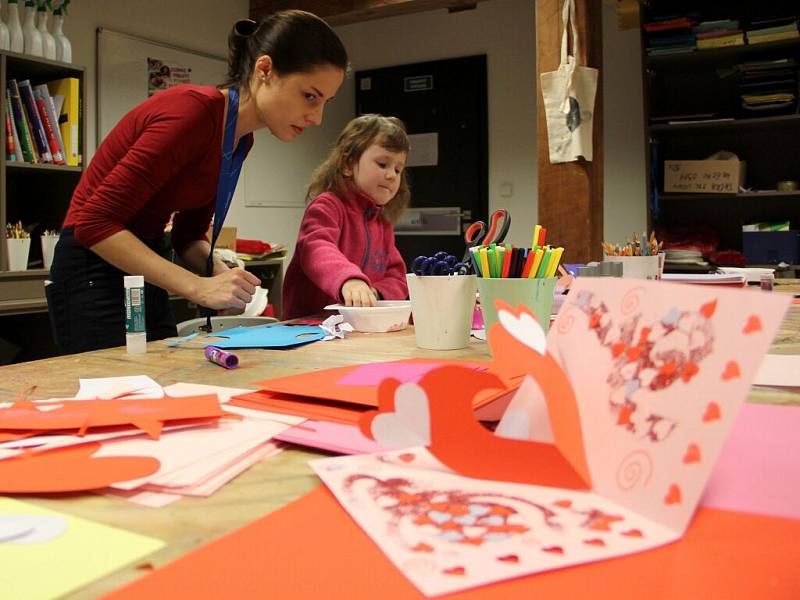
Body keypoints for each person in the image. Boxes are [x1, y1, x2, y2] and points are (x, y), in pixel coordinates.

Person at [47, 11, 348, 353]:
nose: (317, 116)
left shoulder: (239, 139)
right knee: (111, 392)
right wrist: (196, 287)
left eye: (325, 102)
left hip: (143, 257)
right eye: (310, 96)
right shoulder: (193, 112)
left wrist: (219, 275)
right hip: (92, 262)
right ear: (264, 70)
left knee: (163, 382)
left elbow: (187, 235)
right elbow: (93, 223)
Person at [282, 114, 410, 320]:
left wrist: (375, 293)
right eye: (382, 164)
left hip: (356, 326)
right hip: (311, 328)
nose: (392, 175)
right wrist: (349, 280)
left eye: (398, 169)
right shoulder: (327, 205)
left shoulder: (382, 222)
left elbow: (396, 275)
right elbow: (316, 247)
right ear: (347, 165)